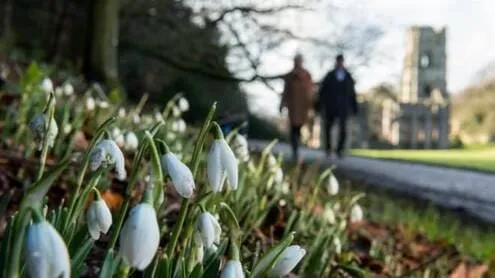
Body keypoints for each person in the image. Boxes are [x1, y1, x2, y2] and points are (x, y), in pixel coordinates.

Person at [318, 54, 358, 158]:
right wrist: (320, 105)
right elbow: (322, 92)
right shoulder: (330, 75)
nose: (340, 63)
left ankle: (339, 150)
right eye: (338, 61)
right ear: (336, 62)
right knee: (328, 127)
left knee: (343, 129)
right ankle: (328, 148)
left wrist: (354, 107)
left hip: (343, 107)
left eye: (341, 61)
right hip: (331, 106)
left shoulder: (348, 76)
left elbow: (352, 93)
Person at [280, 54, 314, 160]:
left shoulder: (307, 75)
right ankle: (295, 149)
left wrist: (311, 105)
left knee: (299, 127)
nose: (297, 63)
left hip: (303, 107)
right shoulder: (290, 76)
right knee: (293, 128)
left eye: (299, 61)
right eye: (296, 61)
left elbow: (310, 90)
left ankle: (297, 146)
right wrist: (282, 103)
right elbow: (285, 91)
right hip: (293, 106)